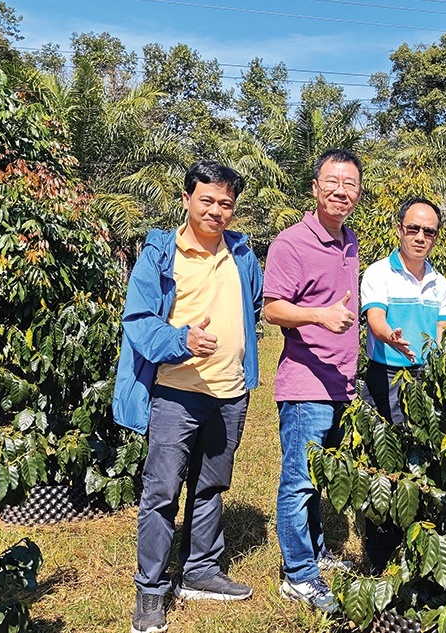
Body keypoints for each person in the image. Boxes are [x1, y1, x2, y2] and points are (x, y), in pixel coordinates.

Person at [112, 161, 263, 633]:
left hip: (229, 392)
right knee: (161, 493)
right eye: (208, 200)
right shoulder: (161, 253)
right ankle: (151, 592)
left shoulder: (241, 254)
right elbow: (138, 321)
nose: (217, 210)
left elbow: (253, 304)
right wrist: (182, 341)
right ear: (186, 199)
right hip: (177, 394)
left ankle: (200, 571)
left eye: (226, 203)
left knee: (210, 487)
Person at [263, 149, 363, 613]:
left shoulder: (351, 241)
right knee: (300, 480)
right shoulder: (290, 243)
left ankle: (317, 552)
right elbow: (273, 308)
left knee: (320, 478)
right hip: (306, 385)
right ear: (315, 187)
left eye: (350, 184)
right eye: (333, 182)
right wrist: (319, 316)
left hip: (342, 384)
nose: (341, 191)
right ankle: (299, 575)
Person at [358, 197, 446, 572]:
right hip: (386, 379)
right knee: (383, 465)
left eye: (428, 231)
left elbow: (443, 329)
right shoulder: (379, 274)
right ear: (399, 229)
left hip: (426, 383)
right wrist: (389, 336)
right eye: (412, 228)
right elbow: (375, 320)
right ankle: (380, 552)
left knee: (423, 461)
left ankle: (417, 541)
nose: (419, 237)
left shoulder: (439, 282)